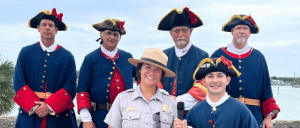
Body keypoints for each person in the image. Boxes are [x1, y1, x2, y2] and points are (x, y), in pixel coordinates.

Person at [211, 14, 280, 128]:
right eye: (238, 28)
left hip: (254, 116)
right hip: (224, 114)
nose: (242, 31)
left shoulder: (259, 57)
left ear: (249, 32)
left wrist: (268, 117)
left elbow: (266, 91)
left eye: (245, 28)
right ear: (232, 31)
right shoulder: (218, 55)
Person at [13, 8, 77, 128]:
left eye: (51, 25)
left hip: (59, 118)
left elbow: (71, 87)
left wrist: (49, 106)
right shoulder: (25, 52)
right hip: (31, 115)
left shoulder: (67, 56)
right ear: (38, 28)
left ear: (56, 30)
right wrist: (35, 106)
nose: (47, 27)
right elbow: (18, 82)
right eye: (44, 25)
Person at [76, 19, 137, 128]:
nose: (112, 37)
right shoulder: (90, 58)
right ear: (101, 34)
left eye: (115, 34)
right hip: (98, 118)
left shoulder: (128, 57)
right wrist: (86, 119)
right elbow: (82, 91)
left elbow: (142, 80)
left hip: (125, 118)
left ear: (119, 37)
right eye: (108, 33)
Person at [174, 56, 259, 128]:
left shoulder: (241, 110)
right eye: (210, 76)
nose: (215, 80)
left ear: (228, 80)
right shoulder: (194, 112)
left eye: (220, 76)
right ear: (203, 81)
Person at [104, 48, 177, 128]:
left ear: (161, 75)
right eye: (148, 67)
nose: (151, 73)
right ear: (139, 69)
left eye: (157, 69)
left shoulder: (171, 103)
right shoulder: (122, 99)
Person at [157, 7, 209, 112]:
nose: (180, 35)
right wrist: (164, 98)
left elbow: (204, 84)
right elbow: (155, 79)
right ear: (171, 33)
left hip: (191, 112)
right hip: (164, 110)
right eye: (176, 31)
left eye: (184, 30)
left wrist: (178, 100)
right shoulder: (162, 55)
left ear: (191, 31)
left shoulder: (202, 56)